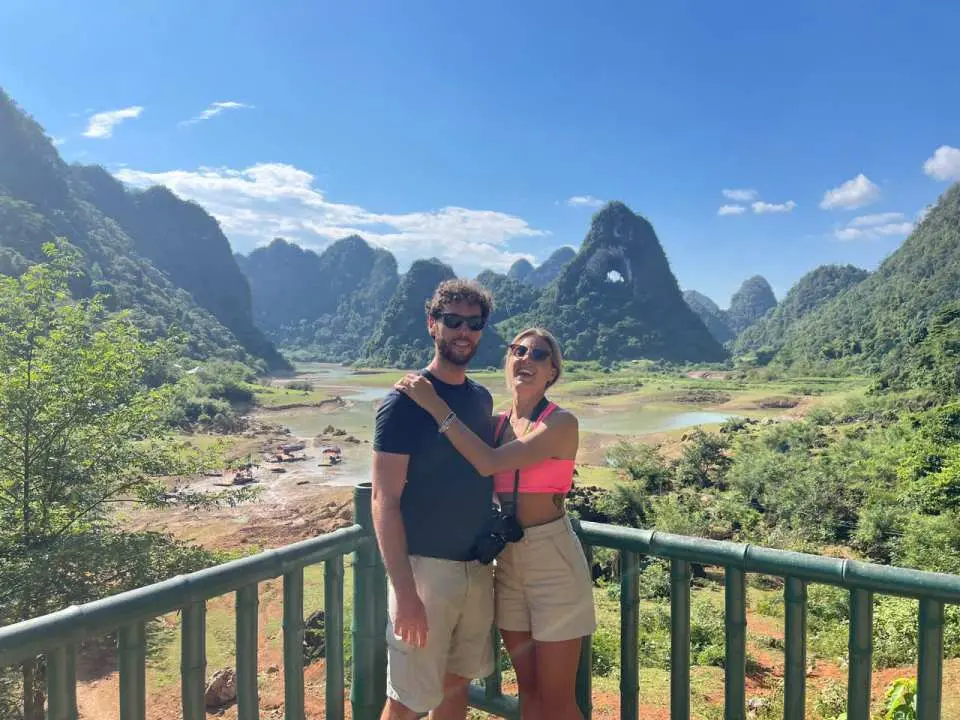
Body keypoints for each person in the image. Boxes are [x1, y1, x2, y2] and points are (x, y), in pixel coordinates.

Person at [395, 327, 596, 720]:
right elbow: (457, 452)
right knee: (530, 692)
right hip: (507, 560)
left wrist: (435, 405)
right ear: (507, 360)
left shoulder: (560, 424)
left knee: (557, 700)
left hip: (553, 560)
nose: (526, 359)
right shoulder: (497, 424)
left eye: (539, 355)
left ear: (552, 371)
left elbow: (487, 462)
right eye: (518, 351)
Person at [371, 278, 498, 720]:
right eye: (453, 320)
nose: (464, 331)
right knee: (406, 698)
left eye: (474, 323)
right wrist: (405, 593)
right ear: (433, 324)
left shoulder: (482, 398)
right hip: (425, 573)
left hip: (477, 568)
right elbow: (384, 501)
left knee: (456, 684)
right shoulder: (402, 403)